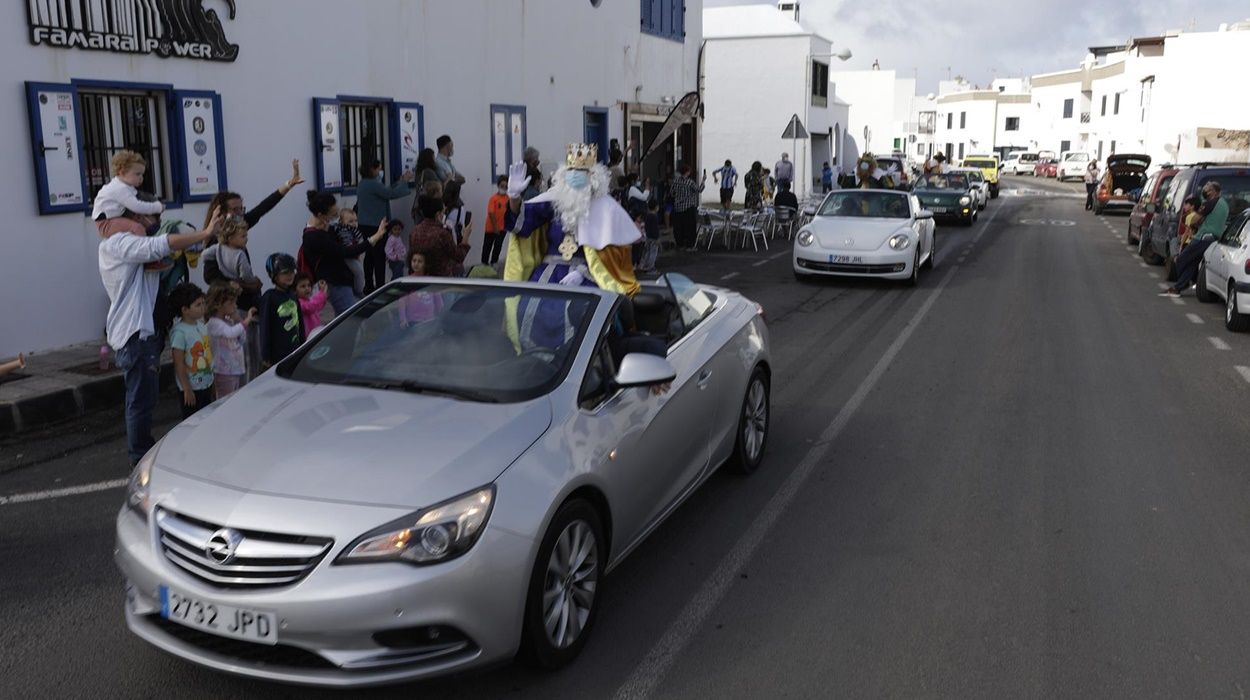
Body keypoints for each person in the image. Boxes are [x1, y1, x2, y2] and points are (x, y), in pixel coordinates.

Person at [101, 204, 221, 465]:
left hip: (149, 330)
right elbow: (162, 245)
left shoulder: (137, 246)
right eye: (150, 217)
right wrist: (205, 232)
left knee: (145, 397)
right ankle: (139, 456)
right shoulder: (124, 246)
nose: (153, 223)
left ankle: (142, 450)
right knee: (141, 399)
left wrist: (205, 234)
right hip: (138, 335)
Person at [502, 142, 643, 347]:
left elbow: (613, 258)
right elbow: (520, 225)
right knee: (525, 310)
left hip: (586, 276)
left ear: (593, 177)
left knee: (578, 320)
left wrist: (584, 272)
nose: (575, 176)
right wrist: (514, 198)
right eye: (572, 171)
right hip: (547, 274)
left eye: (581, 172)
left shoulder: (605, 208)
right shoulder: (554, 202)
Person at [300, 191, 388, 315]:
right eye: (334, 215)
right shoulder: (315, 236)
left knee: (346, 320)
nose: (337, 218)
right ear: (321, 215)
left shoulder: (325, 229)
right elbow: (344, 251)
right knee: (350, 320)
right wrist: (376, 237)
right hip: (336, 283)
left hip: (341, 281)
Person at [355, 160, 414, 293]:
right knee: (379, 257)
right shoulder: (373, 184)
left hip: (364, 224)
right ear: (372, 169)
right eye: (379, 169)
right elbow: (390, 194)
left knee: (369, 255)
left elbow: (386, 190)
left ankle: (369, 285)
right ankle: (380, 287)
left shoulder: (363, 183)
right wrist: (404, 181)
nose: (380, 172)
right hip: (376, 225)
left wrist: (399, 182)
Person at [1162, 181, 1229, 297]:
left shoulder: (1210, 203)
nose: (1204, 190)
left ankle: (1189, 281)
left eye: (1207, 188)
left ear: (1213, 192)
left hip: (1203, 237)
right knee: (1192, 263)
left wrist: (1196, 221)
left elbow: (1195, 219)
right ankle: (1178, 287)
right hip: (1214, 239)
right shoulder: (1224, 204)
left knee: (1181, 259)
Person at [167, 282, 215, 418]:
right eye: (198, 305)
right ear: (185, 309)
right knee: (192, 422)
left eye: (203, 303)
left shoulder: (201, 325)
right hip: (191, 389)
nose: (203, 308)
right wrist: (186, 388)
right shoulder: (179, 332)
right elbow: (179, 363)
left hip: (206, 383)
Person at [92, 150, 164, 238]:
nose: (141, 178)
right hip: (106, 223)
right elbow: (137, 206)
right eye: (137, 174)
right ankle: (143, 249)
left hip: (115, 218)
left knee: (145, 223)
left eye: (142, 174)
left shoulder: (126, 187)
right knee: (137, 228)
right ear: (122, 173)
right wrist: (157, 207)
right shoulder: (119, 188)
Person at [205, 281, 255, 400]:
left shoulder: (228, 322)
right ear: (218, 304)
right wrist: (246, 320)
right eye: (231, 302)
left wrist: (238, 320)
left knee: (233, 400)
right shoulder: (214, 323)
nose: (235, 306)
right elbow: (230, 333)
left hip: (234, 369)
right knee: (224, 401)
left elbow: (241, 339)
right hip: (223, 371)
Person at [201, 218, 263, 310]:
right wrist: (253, 281)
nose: (246, 239)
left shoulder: (218, 248)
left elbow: (204, 255)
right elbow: (246, 275)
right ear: (230, 238)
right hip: (240, 293)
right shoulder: (240, 254)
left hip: (224, 289)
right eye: (243, 236)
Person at [258, 253, 303, 367]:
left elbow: (300, 322)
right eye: (285, 273)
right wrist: (265, 355)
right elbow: (265, 327)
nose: (290, 275)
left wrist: (304, 344)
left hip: (295, 350)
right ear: (274, 275)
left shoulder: (293, 295)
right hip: (277, 355)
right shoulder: (269, 297)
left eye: (292, 271)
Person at [409, 195, 471, 277]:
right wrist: (465, 237)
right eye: (442, 212)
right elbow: (458, 256)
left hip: (420, 278)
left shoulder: (414, 232)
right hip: (440, 280)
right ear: (438, 214)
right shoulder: (442, 234)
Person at [397, 251, 444, 326]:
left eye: (420, 261)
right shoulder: (407, 281)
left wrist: (440, 318)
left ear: (425, 264)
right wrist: (403, 320)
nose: (416, 264)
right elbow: (402, 302)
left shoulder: (431, 281)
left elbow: (439, 302)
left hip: (429, 321)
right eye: (414, 260)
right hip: (413, 322)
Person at [668, 162, 707, 250]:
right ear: (687, 172)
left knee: (679, 227)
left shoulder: (676, 181)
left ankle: (680, 244)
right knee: (690, 227)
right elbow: (699, 190)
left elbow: (672, 192)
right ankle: (690, 245)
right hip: (688, 207)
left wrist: (678, 197)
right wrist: (703, 180)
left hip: (678, 207)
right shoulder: (690, 182)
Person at [332, 208, 366, 297]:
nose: (354, 223)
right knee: (359, 272)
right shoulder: (344, 231)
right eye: (351, 221)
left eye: (355, 221)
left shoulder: (352, 230)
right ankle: (359, 291)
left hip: (353, 255)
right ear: (342, 222)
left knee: (358, 271)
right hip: (348, 256)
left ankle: (357, 289)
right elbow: (348, 245)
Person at [409, 148, 443, 220]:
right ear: (429, 159)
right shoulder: (429, 172)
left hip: (419, 205)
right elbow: (438, 187)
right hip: (429, 206)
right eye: (433, 157)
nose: (435, 160)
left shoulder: (419, 172)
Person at [484, 176, 511, 266]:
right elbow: (491, 213)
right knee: (487, 246)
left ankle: (493, 263)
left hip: (503, 228)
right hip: (491, 228)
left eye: (506, 186)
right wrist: (495, 228)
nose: (504, 188)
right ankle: (484, 264)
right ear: (498, 185)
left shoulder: (508, 199)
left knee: (498, 247)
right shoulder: (493, 198)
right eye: (502, 186)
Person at [637, 199, 662, 274]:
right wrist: (657, 238)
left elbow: (647, 227)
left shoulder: (647, 216)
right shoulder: (654, 217)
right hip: (654, 238)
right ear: (656, 207)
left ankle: (644, 266)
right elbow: (655, 229)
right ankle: (650, 268)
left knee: (647, 252)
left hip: (648, 237)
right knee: (653, 253)